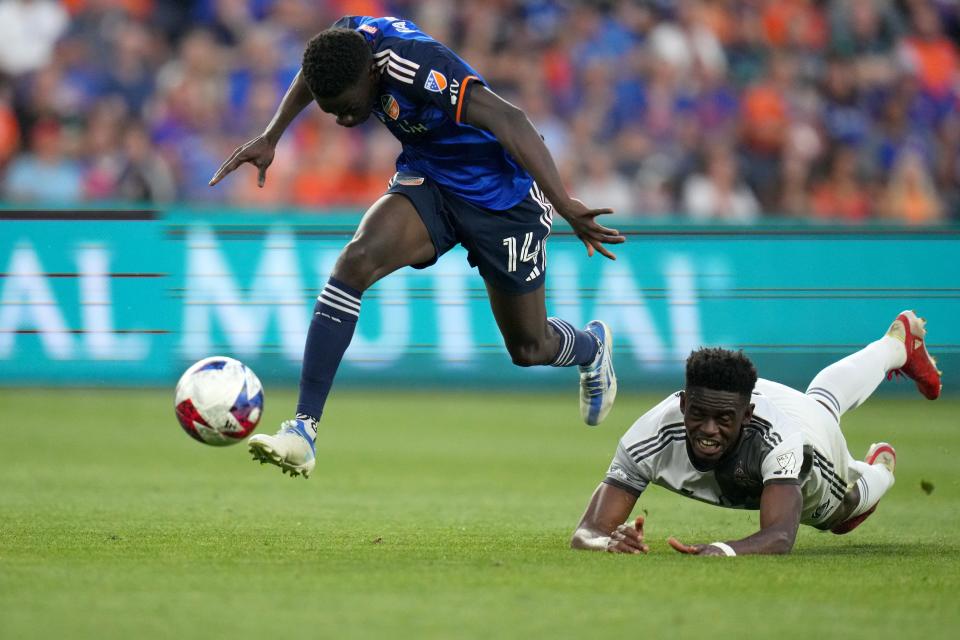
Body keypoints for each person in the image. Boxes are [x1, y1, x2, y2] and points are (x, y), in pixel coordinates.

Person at [209, 16, 624, 478]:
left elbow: (511, 119)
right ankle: (303, 429)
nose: (344, 120)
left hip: (502, 196)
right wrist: (272, 135)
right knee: (354, 262)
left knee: (529, 348)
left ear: (370, 75)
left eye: (347, 107)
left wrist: (564, 203)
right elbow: (314, 75)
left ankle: (590, 348)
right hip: (432, 178)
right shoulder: (344, 45)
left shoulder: (416, 67)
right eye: (332, 112)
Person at [571, 310, 942, 556]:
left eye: (723, 420)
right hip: (780, 407)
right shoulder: (649, 436)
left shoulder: (779, 443)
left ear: (746, 415)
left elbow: (780, 536)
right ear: (683, 405)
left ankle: (879, 472)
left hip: (808, 439)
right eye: (698, 415)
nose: (708, 431)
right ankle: (895, 347)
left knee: (837, 517)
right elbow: (586, 532)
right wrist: (608, 543)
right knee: (823, 402)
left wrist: (725, 549)